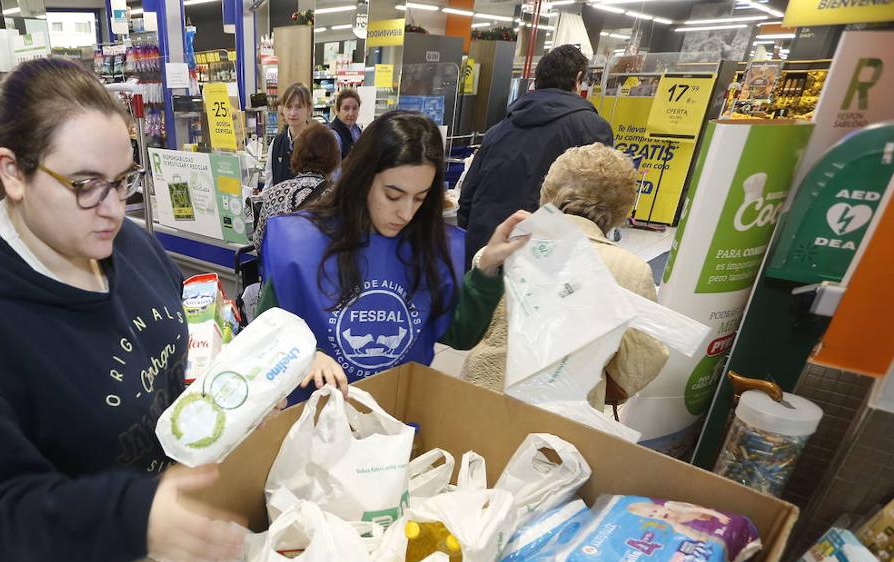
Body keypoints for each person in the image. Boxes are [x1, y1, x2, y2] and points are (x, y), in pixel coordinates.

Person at [0, 58, 244, 562]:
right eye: (86, 184)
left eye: (123, 181)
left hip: (178, 546)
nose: (113, 208)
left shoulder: (130, 246)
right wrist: (129, 517)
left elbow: (176, 354)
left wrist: (256, 369)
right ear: (12, 172)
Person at [257, 110, 531, 393]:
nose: (406, 212)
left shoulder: (428, 245)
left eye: (420, 198)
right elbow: (264, 337)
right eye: (393, 195)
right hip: (314, 420)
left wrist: (487, 268)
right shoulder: (302, 244)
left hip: (392, 421)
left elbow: (459, 334)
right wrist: (304, 355)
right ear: (363, 178)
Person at [462, 143, 668, 408]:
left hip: (480, 393)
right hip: (566, 412)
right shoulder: (631, 271)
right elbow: (642, 361)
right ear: (623, 208)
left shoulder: (502, 247)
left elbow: (472, 327)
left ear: (547, 192)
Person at [458, 44, 613, 261]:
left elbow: (468, 192)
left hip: (487, 244)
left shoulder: (500, 128)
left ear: (537, 79)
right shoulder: (593, 129)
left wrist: (471, 239)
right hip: (544, 255)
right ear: (578, 79)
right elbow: (597, 205)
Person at [250, 123, 340, 255]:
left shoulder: (276, 192)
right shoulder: (337, 197)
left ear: (297, 154)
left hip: (281, 273)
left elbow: (258, 243)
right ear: (333, 159)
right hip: (321, 273)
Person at [267, 82, 313, 186]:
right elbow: (269, 184)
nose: (293, 113)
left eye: (299, 107)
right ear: (282, 109)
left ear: (309, 109)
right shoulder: (277, 142)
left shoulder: (319, 142)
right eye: (288, 107)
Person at [329, 88, 362, 160]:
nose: (351, 114)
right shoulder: (334, 135)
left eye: (355, 108)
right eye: (346, 108)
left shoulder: (356, 130)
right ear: (337, 111)